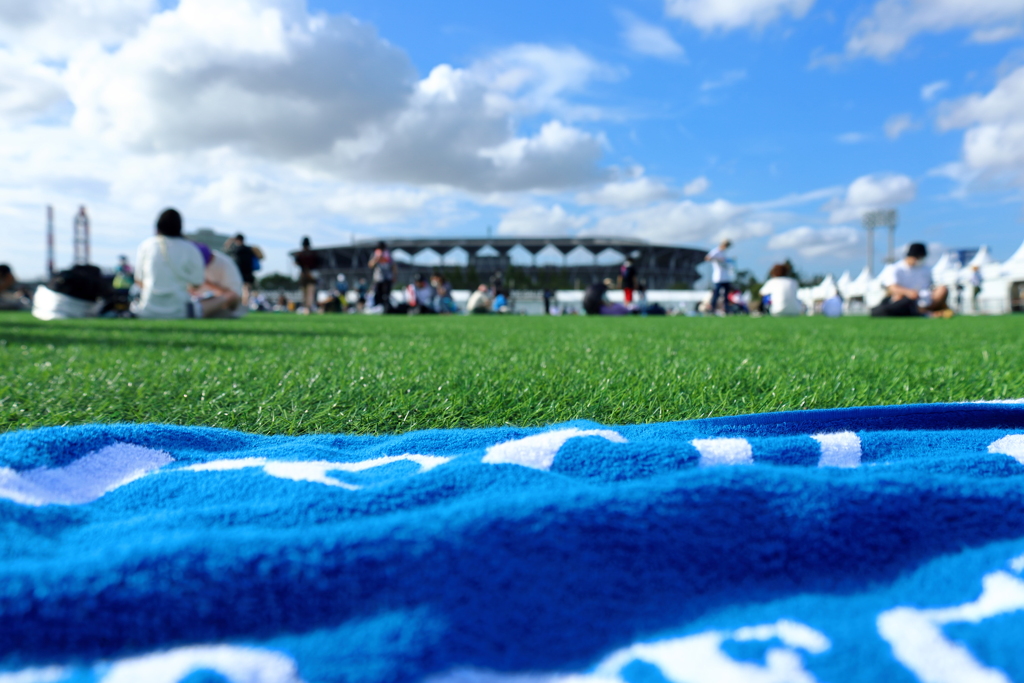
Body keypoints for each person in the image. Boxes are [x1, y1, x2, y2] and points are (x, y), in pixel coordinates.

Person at [131, 209, 206, 319]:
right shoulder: (191, 248)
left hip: (147, 311)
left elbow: (138, 280)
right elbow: (197, 283)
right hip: (181, 312)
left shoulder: (146, 245)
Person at [871, 242, 952, 318]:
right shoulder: (895, 268)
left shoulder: (925, 268)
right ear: (911, 256)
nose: (920, 260)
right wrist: (908, 292)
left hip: (924, 298)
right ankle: (926, 312)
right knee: (899, 297)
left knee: (942, 289)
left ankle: (927, 311)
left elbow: (930, 286)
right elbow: (892, 287)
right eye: (918, 257)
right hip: (905, 298)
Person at [192, 243, 244, 318]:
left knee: (231, 295)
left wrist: (208, 284)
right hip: (201, 299)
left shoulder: (225, 263)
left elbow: (234, 294)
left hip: (221, 300)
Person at [224, 234, 261, 306]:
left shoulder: (236, 249)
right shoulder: (250, 249)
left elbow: (226, 249)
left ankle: (241, 304)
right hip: (249, 271)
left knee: (238, 288)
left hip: (238, 272)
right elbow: (260, 257)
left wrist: (230, 241)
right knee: (247, 289)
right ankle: (245, 304)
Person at [704, 239, 734, 315]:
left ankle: (727, 309)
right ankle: (712, 309)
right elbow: (707, 258)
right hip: (718, 277)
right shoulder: (715, 251)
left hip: (726, 277)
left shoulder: (724, 252)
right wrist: (717, 259)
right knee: (716, 294)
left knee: (726, 295)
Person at [293, 237, 320, 313]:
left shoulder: (303, 254)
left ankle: (308, 307)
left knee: (308, 292)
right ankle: (306, 307)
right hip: (306, 274)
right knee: (306, 292)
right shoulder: (310, 254)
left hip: (309, 275)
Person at [368, 241, 395, 313]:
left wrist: (394, 276)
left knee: (386, 295)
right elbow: (370, 265)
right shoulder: (375, 254)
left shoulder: (388, 254)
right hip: (378, 278)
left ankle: (386, 309)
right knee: (377, 294)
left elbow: (393, 266)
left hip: (387, 278)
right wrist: (377, 258)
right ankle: (377, 309)